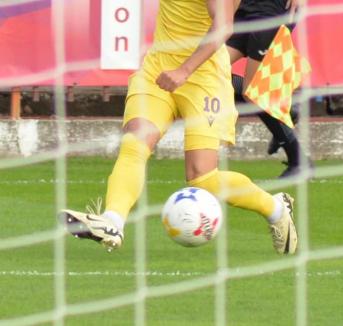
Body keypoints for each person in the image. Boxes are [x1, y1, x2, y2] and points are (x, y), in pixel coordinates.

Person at [58, 0, 297, 255]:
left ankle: (276, 208)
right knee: (134, 145)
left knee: (202, 178)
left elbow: (224, 26)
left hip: (204, 80)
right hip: (157, 70)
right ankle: (112, 221)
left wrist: (184, 70)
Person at [226, 0, 310, 179]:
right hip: (243, 7)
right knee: (208, 72)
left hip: (271, 9)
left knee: (253, 94)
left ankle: (299, 161)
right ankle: (283, 108)